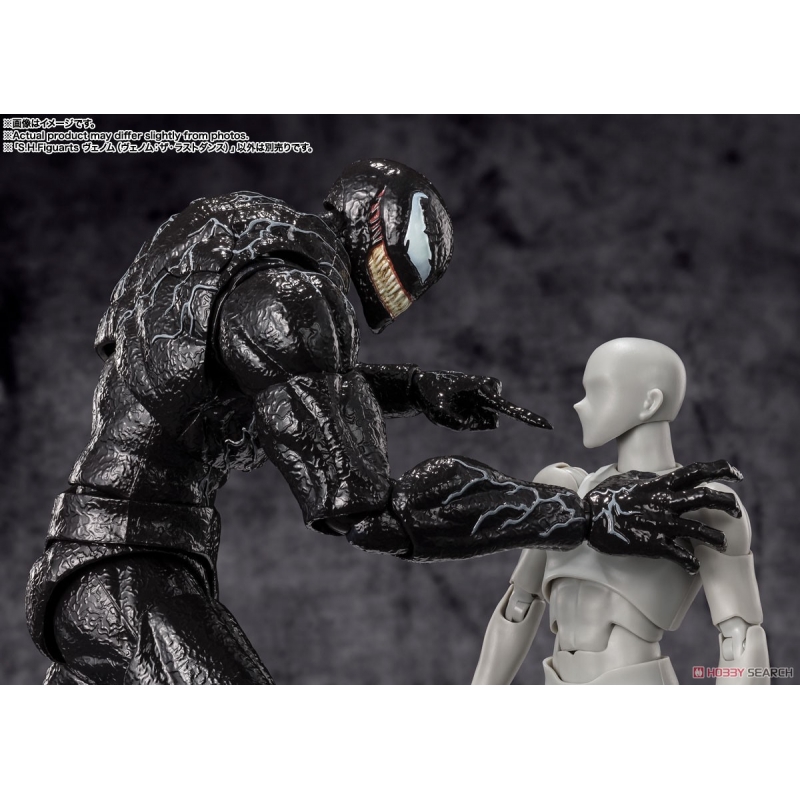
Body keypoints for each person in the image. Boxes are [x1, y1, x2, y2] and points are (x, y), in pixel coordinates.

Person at [27, 163, 740, 684]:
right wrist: (582, 515)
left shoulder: (237, 241)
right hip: (125, 572)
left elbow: (264, 381)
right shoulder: (291, 296)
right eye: (410, 259)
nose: (402, 291)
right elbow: (373, 512)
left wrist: (416, 390)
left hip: (104, 563)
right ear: (372, 226)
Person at [472, 338, 769, 685]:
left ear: (649, 402)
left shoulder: (701, 503)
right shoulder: (563, 489)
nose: (579, 405)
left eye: (598, 390)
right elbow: (518, 606)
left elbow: (740, 637)